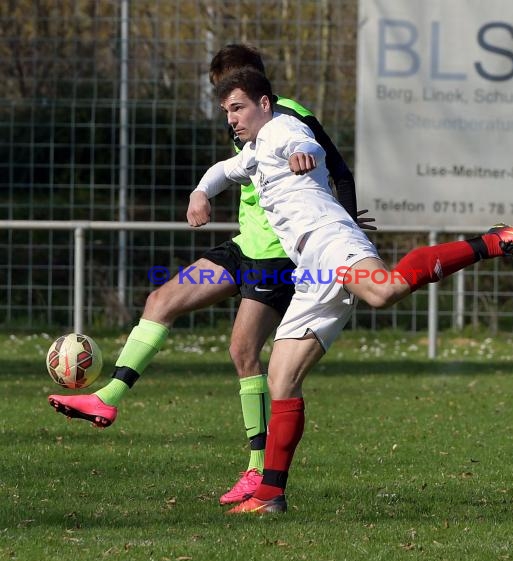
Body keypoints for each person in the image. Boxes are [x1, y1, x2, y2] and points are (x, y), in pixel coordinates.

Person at [186, 67, 513, 514]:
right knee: (282, 379)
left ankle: (491, 241)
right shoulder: (255, 150)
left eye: (238, 108)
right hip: (310, 269)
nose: (232, 120)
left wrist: (303, 153)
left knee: (384, 291)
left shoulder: (282, 127)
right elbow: (223, 169)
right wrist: (200, 193)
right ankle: (269, 496)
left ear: (264, 104)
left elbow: (305, 142)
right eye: (227, 112)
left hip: (331, 238)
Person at [47, 44, 366, 506]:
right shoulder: (243, 126)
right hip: (242, 247)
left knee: (243, 351)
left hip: (276, 258)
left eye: (234, 96)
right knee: (161, 300)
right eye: (223, 99)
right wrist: (201, 191)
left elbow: (334, 166)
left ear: (259, 88)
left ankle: (259, 470)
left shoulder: (291, 116)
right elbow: (231, 171)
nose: (229, 110)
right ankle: (108, 396)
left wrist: (347, 223)